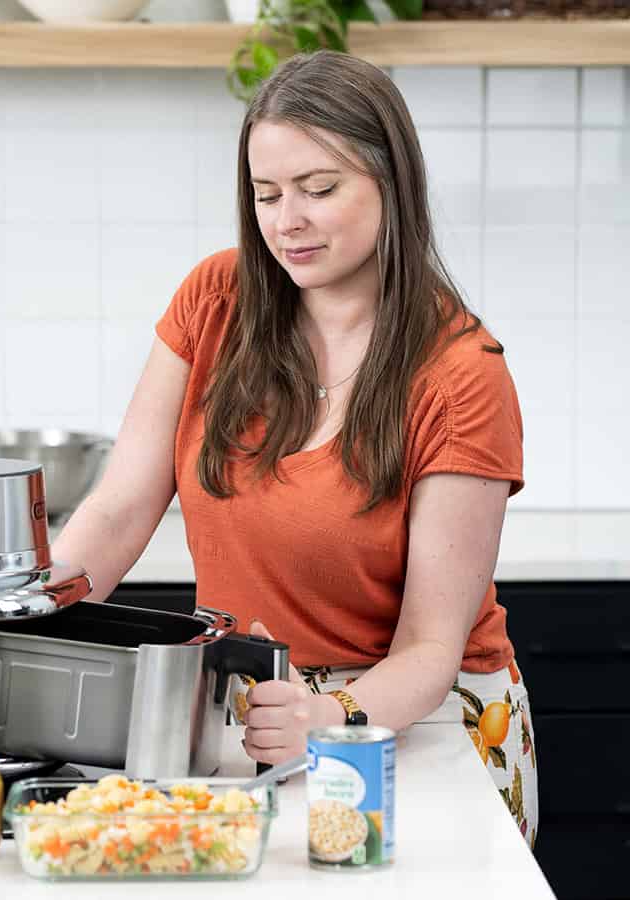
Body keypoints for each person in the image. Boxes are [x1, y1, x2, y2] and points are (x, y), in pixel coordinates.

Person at [51, 50, 537, 846]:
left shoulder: (461, 376)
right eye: (267, 193)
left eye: (319, 188)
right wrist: (22, 617)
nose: (287, 221)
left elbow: (429, 650)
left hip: (425, 721)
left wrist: (326, 714)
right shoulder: (216, 301)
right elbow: (119, 507)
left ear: (392, 183)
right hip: (260, 712)